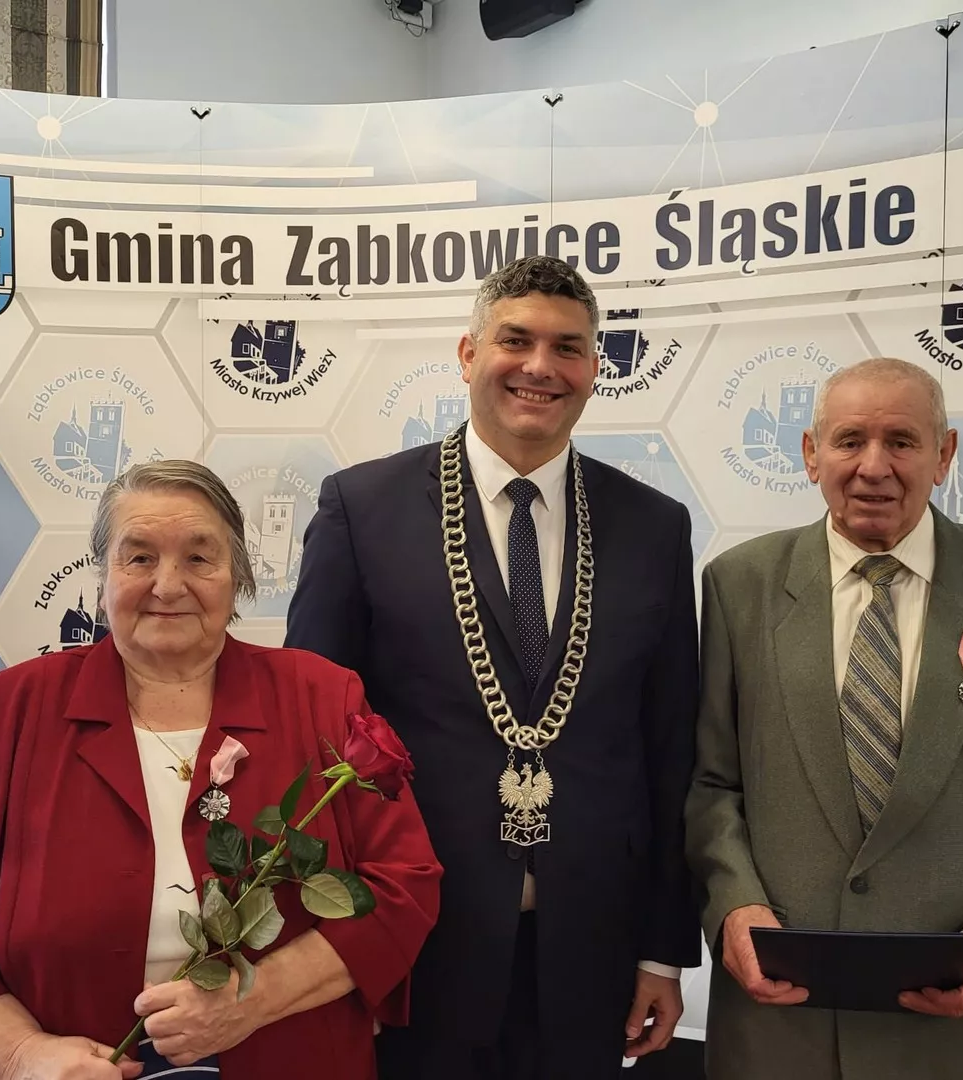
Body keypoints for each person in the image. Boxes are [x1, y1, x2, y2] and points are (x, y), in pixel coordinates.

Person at [0, 460, 442, 1080]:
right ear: (103, 577)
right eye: (139, 557)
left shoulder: (322, 697)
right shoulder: (8, 709)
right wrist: (17, 1054)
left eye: (199, 558)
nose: (168, 586)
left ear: (238, 578)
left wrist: (252, 1001)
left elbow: (403, 886)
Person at [285, 255, 700, 1078]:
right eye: (516, 340)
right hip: (412, 944)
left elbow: (669, 749)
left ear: (595, 369)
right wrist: (330, 945)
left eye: (568, 348)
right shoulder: (362, 510)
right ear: (470, 353)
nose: (540, 367)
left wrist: (663, 951)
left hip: (593, 950)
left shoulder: (654, 526)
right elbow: (315, 740)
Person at [685, 357, 963, 1080]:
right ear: (810, 454)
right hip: (779, 1031)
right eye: (849, 440)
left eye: (901, 441)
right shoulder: (738, 588)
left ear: (943, 455)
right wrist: (733, 907)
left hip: (959, 1040)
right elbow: (711, 785)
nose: (874, 466)